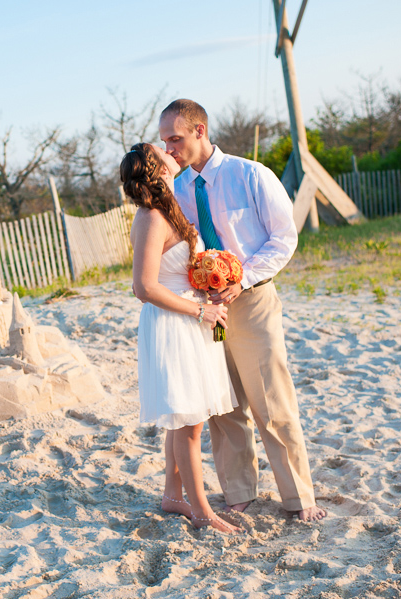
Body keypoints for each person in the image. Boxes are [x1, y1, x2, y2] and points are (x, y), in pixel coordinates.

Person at [158, 99, 326, 522]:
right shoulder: (175, 192)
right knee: (223, 406)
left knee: (272, 400)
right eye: (164, 141)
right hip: (203, 310)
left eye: (175, 138)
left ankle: (298, 497)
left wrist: (242, 278)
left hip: (252, 302)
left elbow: (284, 239)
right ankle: (238, 492)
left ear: (200, 131)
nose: (170, 148)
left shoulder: (250, 174)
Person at [122, 142, 242, 534]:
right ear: (158, 170)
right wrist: (200, 310)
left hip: (192, 318)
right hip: (174, 324)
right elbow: (143, 287)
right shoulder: (151, 217)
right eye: (163, 149)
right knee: (189, 422)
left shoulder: (171, 207)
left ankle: (174, 494)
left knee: (183, 418)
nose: (171, 149)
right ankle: (203, 512)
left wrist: (209, 281)